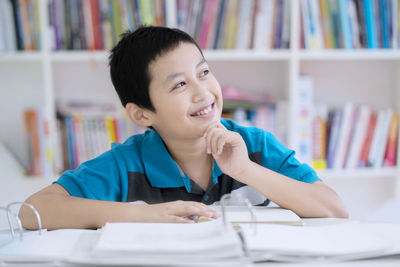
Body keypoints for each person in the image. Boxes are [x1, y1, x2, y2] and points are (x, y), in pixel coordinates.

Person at [20, 26, 348, 230]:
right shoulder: (126, 164)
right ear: (142, 114)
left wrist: (247, 170)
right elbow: (32, 211)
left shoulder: (254, 144)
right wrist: (142, 216)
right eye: (179, 85)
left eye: (203, 72)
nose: (203, 92)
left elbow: (334, 209)